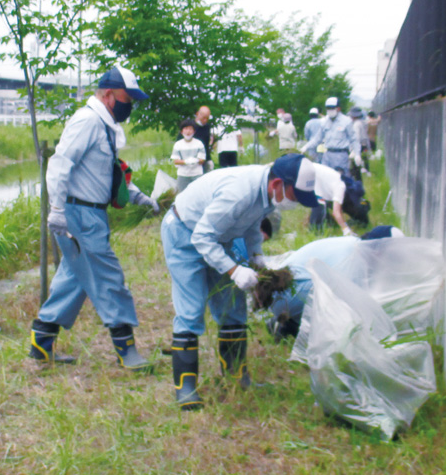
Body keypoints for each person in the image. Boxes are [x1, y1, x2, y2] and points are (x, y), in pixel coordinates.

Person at [160, 153, 325, 409]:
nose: (295, 204)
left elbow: (250, 226)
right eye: (294, 197)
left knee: (233, 306)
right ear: (277, 184)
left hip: (219, 237)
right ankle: (186, 388)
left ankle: (237, 376)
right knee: (191, 308)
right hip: (184, 232)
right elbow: (202, 238)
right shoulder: (238, 193)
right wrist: (235, 270)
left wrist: (257, 257)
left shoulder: (267, 196)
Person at [28, 64, 153, 370]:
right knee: (109, 277)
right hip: (78, 213)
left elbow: (107, 170)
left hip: (91, 213)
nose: (130, 105)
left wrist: (135, 194)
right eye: (128, 98)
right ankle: (127, 351)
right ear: (109, 94)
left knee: (73, 279)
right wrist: (56, 210)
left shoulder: (104, 123)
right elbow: (60, 164)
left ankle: (40, 344)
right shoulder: (87, 121)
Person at [265, 227, 404, 340]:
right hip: (285, 295)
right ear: (378, 249)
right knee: (338, 310)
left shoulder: (354, 245)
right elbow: (347, 301)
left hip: (285, 292)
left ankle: (291, 323)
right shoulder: (354, 258)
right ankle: (291, 326)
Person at [299, 97, 361, 175]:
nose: (330, 110)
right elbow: (317, 139)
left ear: (338, 108)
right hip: (327, 154)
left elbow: (354, 139)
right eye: (328, 108)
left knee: (340, 179)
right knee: (325, 178)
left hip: (341, 154)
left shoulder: (346, 121)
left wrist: (357, 154)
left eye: (332, 108)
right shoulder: (324, 121)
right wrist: (306, 147)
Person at [171, 118, 207, 192]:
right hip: (183, 175)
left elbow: (202, 160)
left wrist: (195, 160)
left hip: (197, 174)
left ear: (194, 131)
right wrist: (186, 161)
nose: (188, 131)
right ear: (182, 131)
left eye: (190, 129)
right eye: (186, 129)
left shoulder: (199, 143)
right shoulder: (178, 144)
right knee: (182, 195)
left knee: (198, 193)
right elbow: (175, 161)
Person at [348, 106, 371, 178]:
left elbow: (356, 138)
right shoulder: (361, 122)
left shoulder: (356, 124)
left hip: (358, 147)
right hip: (363, 145)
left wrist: (353, 150)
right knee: (361, 163)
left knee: (354, 168)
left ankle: (355, 182)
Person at [192, 105, 214, 171]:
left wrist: (209, 159)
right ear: (197, 114)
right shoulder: (190, 126)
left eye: (207, 118)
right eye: (203, 117)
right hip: (192, 159)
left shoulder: (207, 127)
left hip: (204, 158)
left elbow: (206, 145)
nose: (205, 120)